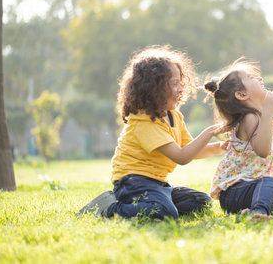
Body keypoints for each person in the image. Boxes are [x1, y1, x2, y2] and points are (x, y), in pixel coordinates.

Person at [78, 45, 226, 219]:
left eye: (180, 83)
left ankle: (159, 201)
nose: (180, 89)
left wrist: (221, 147)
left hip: (159, 184)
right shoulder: (144, 121)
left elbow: (191, 149)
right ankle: (107, 208)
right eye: (174, 84)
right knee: (164, 212)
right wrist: (211, 131)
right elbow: (182, 157)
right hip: (133, 183)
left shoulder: (174, 116)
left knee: (201, 202)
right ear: (153, 87)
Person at [204, 59, 273, 220]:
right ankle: (260, 211)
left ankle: (254, 210)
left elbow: (261, 161)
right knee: (269, 182)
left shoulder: (261, 118)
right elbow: (262, 151)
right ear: (241, 95)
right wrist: (269, 111)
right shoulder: (250, 117)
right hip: (234, 193)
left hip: (252, 189)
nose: (260, 79)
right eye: (251, 78)